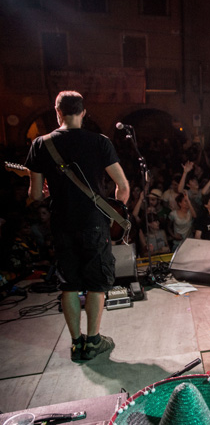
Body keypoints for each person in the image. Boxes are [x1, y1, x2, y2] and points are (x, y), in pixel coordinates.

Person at [25, 90, 130, 361]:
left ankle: (76, 343)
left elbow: (35, 196)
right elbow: (123, 186)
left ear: (57, 113)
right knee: (96, 284)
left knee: (69, 284)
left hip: (62, 223)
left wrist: (46, 191)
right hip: (94, 222)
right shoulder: (100, 142)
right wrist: (114, 213)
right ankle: (93, 341)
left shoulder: (41, 144)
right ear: (83, 112)